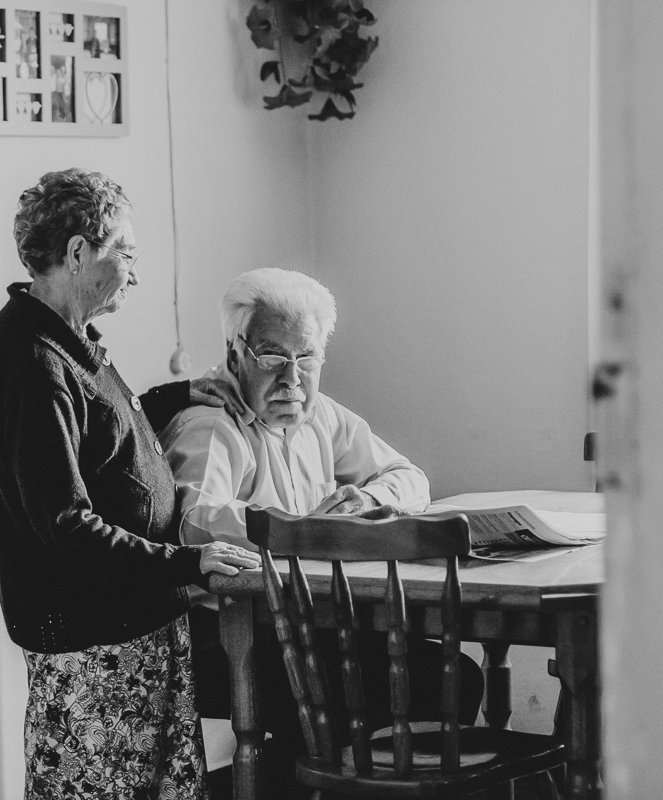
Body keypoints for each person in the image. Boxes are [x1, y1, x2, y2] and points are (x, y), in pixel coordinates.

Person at [0, 168, 260, 800]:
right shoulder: (31, 359)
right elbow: (65, 524)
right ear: (77, 252)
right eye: (126, 254)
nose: (134, 275)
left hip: (133, 628)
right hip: (93, 645)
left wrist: (175, 395)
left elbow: (99, 431)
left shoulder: (65, 341)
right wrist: (188, 562)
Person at [160, 268, 483, 794]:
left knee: (453, 679)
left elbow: (409, 477)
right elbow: (197, 521)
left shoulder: (320, 416)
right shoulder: (211, 424)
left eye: (307, 359)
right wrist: (309, 530)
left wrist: (368, 499)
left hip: (316, 625)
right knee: (344, 705)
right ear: (235, 353)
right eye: (273, 357)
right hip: (237, 637)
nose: (292, 378)